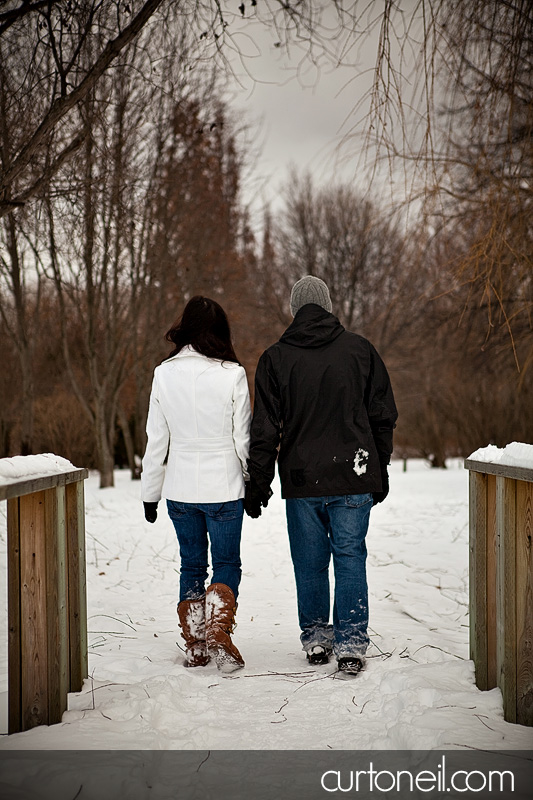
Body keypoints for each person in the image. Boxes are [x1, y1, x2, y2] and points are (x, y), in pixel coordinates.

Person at [245, 276, 397, 675]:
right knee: (350, 556)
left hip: (301, 478)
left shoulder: (275, 359)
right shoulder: (360, 351)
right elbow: (383, 415)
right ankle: (350, 642)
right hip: (354, 471)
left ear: (295, 311)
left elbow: (264, 429)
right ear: (328, 306)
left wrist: (258, 482)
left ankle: (316, 637)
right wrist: (379, 467)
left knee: (309, 562)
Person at [141, 296, 251, 673]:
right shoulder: (231, 373)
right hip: (224, 485)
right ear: (220, 330)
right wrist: (251, 480)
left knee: (191, 565)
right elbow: (243, 439)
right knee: (225, 563)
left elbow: (157, 440)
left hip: (181, 486)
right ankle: (219, 629)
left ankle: (197, 645)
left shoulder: (164, 373)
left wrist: (149, 494)